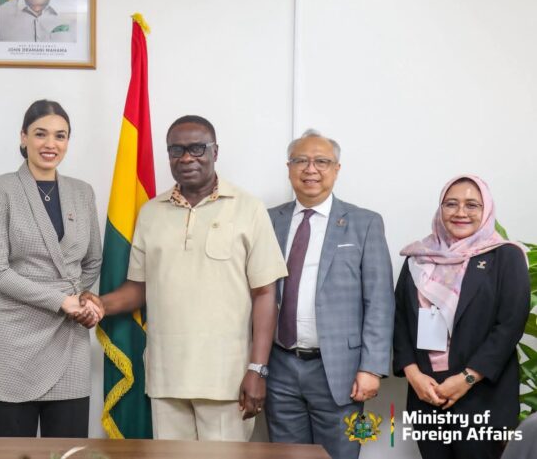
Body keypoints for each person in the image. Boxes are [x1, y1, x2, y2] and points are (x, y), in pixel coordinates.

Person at [81, 115, 287, 441]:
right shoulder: (151, 212)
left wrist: (257, 369)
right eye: (177, 150)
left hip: (227, 381)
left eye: (197, 148)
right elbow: (139, 288)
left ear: (215, 151)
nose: (187, 158)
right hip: (166, 378)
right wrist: (99, 303)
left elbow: (265, 293)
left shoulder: (249, 209)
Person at [265, 129, 394, 459]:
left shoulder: (364, 223)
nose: (311, 169)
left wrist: (371, 367)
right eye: (301, 161)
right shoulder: (268, 221)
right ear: (289, 167)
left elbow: (379, 300)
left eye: (322, 161)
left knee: (342, 454)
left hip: (341, 371)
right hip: (280, 365)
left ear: (336, 169)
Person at [0, 99, 102, 437]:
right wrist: (62, 301)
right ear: (23, 138)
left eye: (60, 136)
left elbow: (92, 261)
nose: (51, 144)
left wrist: (79, 299)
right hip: (15, 340)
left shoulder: (82, 192)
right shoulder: (0, 189)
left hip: (69, 337)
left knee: (67, 450)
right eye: (40, 134)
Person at [394, 175, 530, 459]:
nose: (460, 212)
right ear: (440, 208)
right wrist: (413, 373)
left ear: (486, 210)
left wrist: (467, 378)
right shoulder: (417, 258)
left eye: (472, 205)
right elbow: (400, 321)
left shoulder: (505, 256)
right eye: (451, 204)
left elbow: (509, 325)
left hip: (481, 395)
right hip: (427, 393)